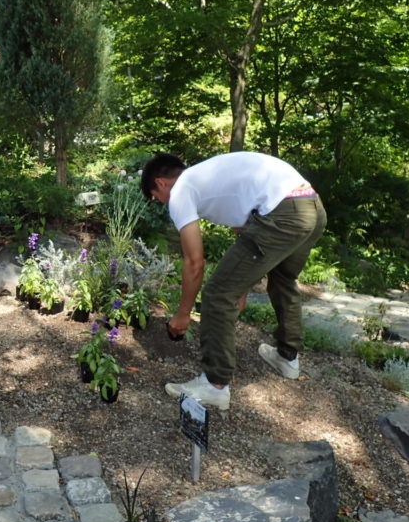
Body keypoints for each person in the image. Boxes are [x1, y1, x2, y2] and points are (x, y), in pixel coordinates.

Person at [140, 150, 327, 410]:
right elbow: (248, 235)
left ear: (160, 183)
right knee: (283, 281)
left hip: (284, 213)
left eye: (155, 198)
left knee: (217, 294)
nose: (161, 203)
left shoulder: (181, 190)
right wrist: (241, 289)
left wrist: (182, 314)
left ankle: (215, 384)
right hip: (311, 206)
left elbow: (195, 262)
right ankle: (287, 358)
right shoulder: (211, 179)